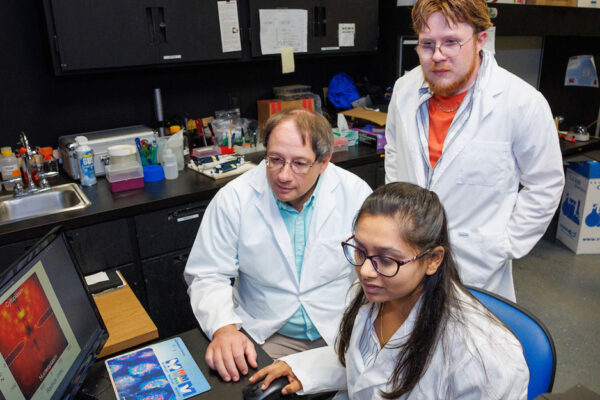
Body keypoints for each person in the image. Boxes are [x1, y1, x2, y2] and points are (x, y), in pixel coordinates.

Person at [249, 182, 529, 399]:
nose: (366, 271)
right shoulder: (379, 293)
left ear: (433, 260)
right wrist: (305, 369)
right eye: (360, 250)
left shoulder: (483, 358)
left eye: (387, 259)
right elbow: (371, 367)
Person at [384, 0, 565, 301]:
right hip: (409, 256)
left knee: (471, 344)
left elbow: (545, 183)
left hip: (478, 266)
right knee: (412, 341)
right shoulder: (404, 89)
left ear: (481, 39)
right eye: (427, 44)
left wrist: (504, 244)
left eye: (451, 42)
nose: (438, 56)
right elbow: (394, 152)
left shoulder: (521, 102)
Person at [184, 108, 372, 383]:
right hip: (267, 335)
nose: (283, 175)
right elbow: (207, 274)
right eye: (275, 160)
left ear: (324, 162)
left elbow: (376, 266)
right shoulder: (234, 198)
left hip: (340, 330)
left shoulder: (354, 193)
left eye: (299, 163)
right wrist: (224, 329)